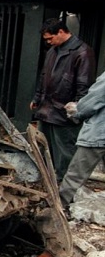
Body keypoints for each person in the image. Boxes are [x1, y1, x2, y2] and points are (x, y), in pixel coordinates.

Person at [30, 18, 95, 180]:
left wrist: (77, 109)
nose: (49, 42)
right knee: (46, 149)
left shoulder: (82, 52)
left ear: (61, 32)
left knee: (64, 154)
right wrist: (37, 98)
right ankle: (47, 181)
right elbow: (44, 76)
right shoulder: (53, 51)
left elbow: (84, 84)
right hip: (47, 109)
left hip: (64, 113)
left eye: (50, 38)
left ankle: (63, 189)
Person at [58, 70, 105, 207]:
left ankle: (59, 208)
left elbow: (94, 100)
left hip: (99, 133)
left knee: (75, 176)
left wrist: (77, 109)